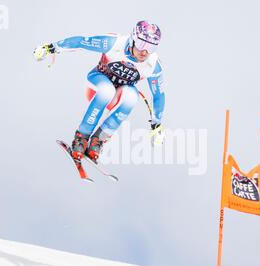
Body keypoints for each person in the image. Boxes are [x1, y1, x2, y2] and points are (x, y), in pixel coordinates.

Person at [34, 20, 165, 162]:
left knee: (133, 97)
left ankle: (98, 140)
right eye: (142, 44)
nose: (145, 51)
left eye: (152, 47)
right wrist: (50, 48)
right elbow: (82, 42)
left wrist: (156, 125)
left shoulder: (153, 66)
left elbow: (158, 95)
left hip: (116, 96)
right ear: (133, 38)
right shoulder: (114, 43)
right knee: (107, 90)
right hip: (97, 85)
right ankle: (81, 138)